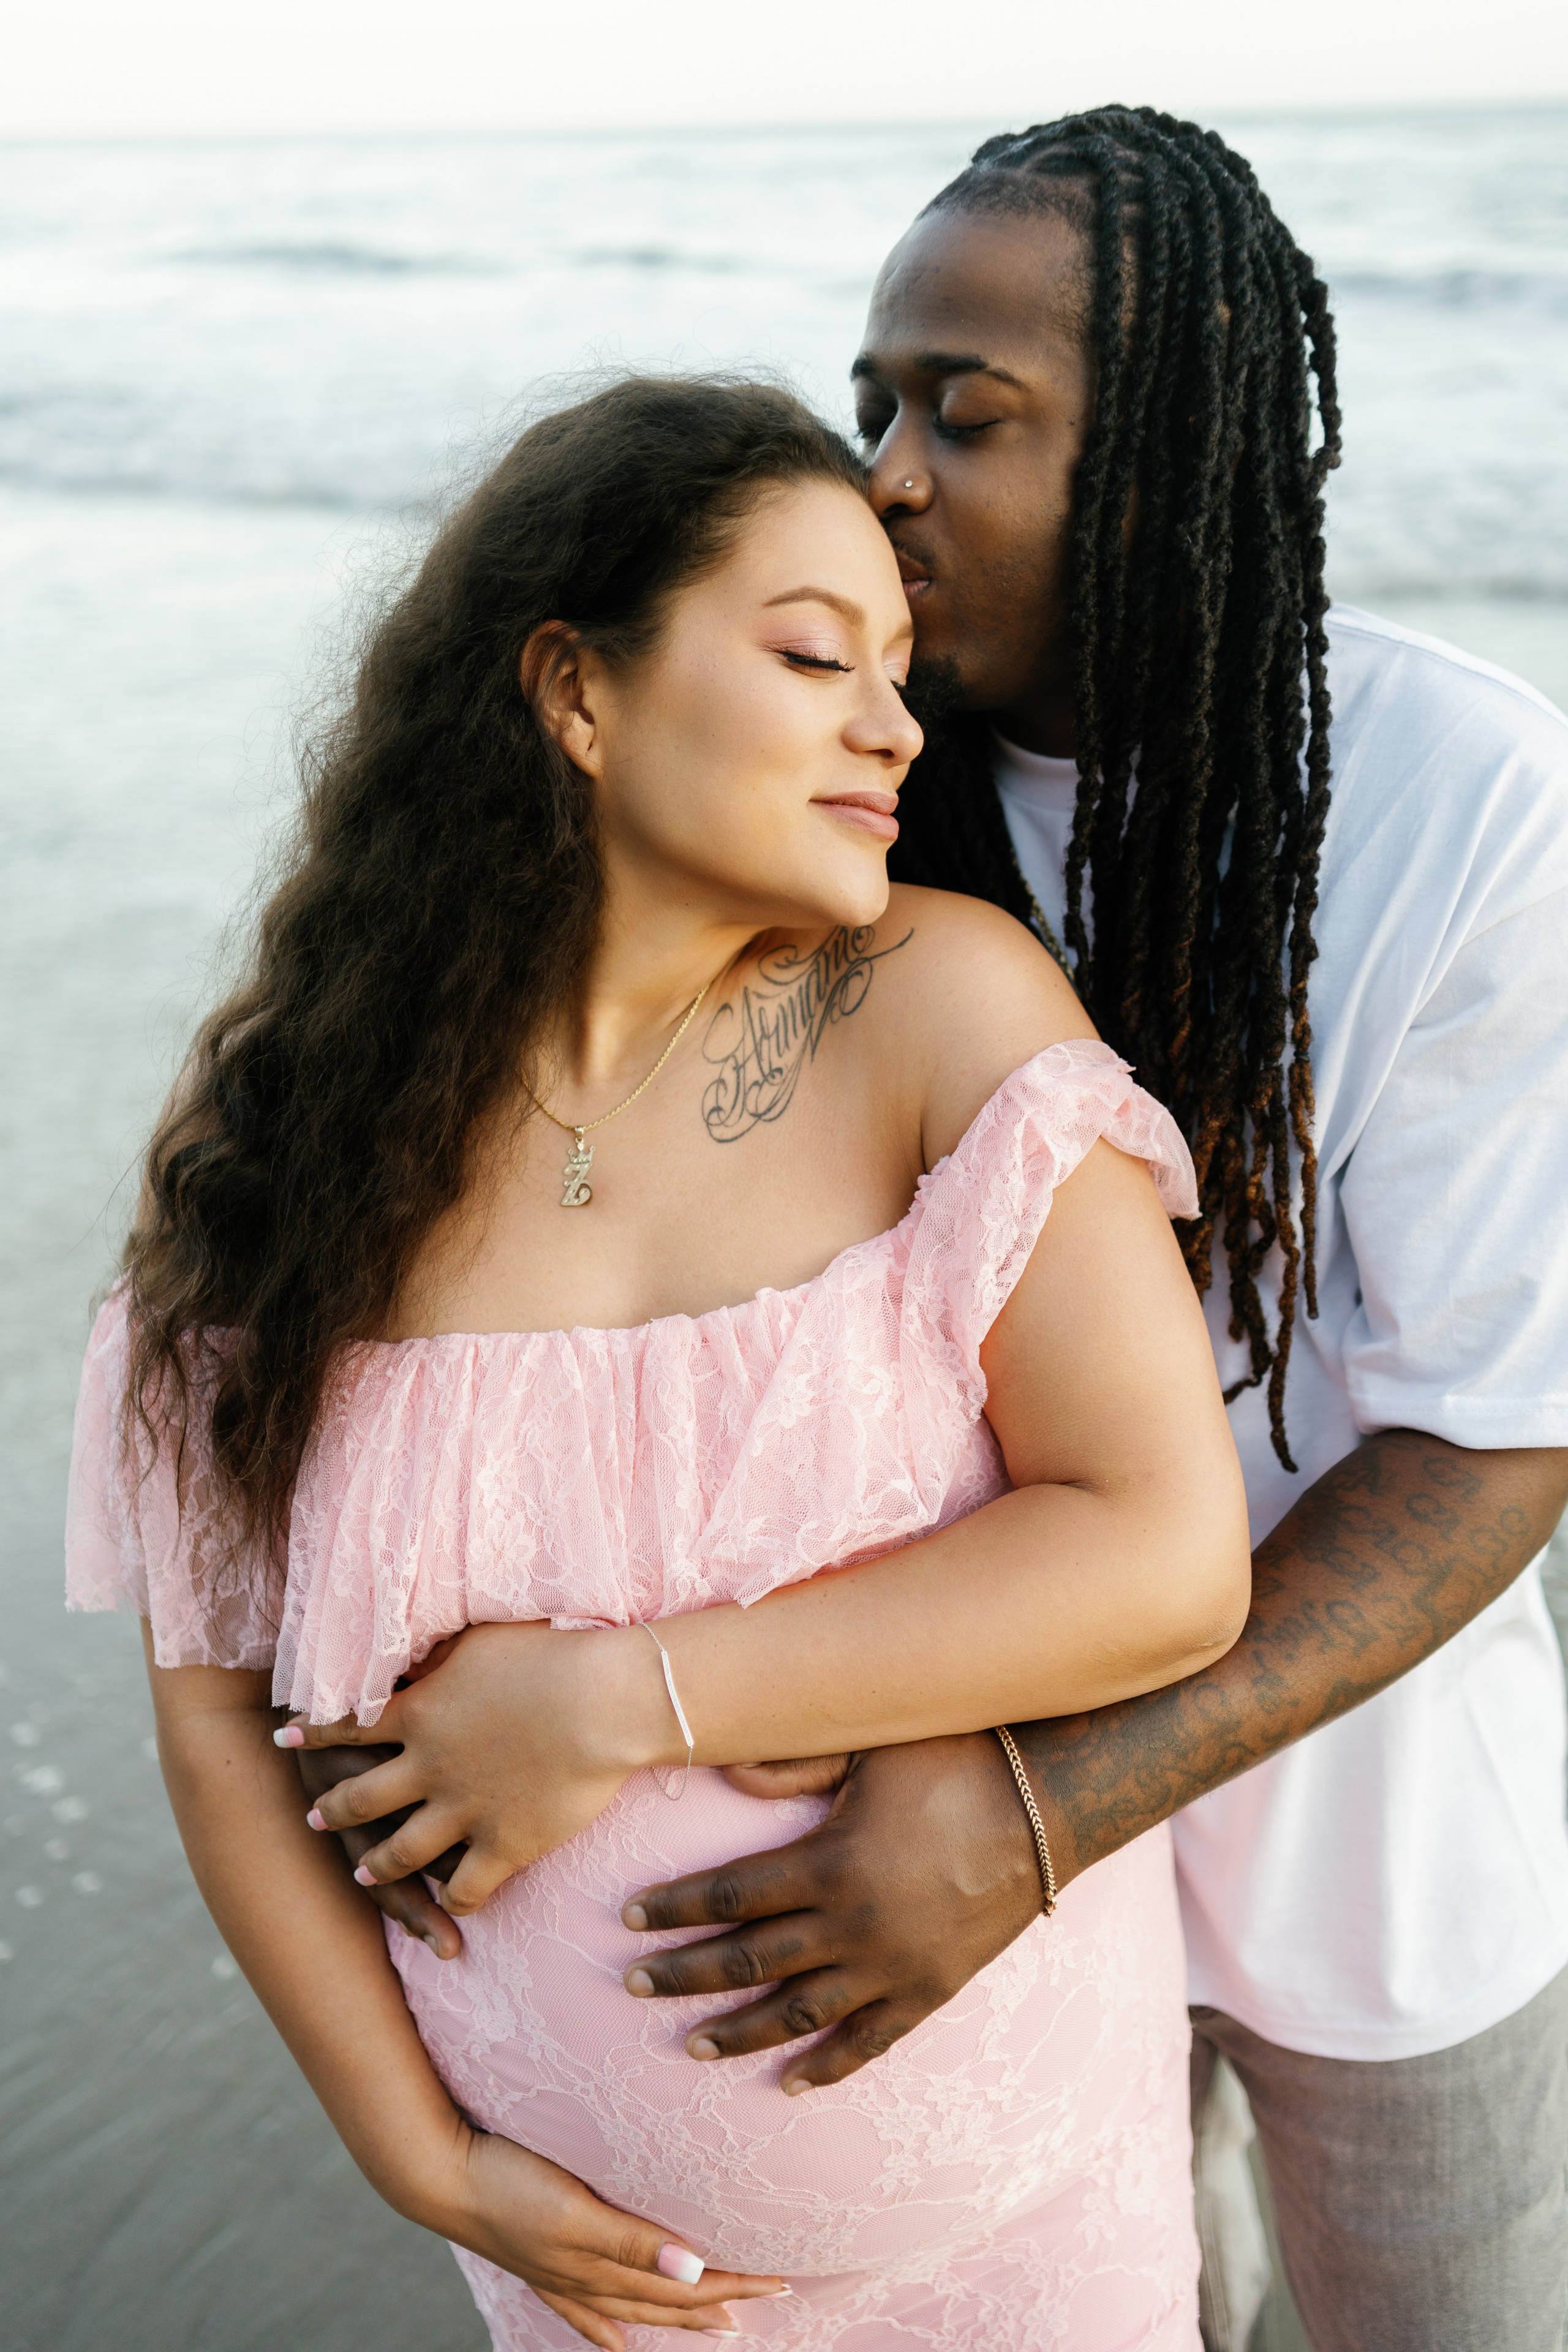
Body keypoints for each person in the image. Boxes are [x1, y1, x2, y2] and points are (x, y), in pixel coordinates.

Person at [338, 110, 1568, 2351]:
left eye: (964, 414)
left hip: (1356, 1866)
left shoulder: (1471, 799)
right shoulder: (849, 804)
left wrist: (1034, 1806)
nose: (888, 470)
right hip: (918, 1899)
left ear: (1177, 435)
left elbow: (1493, 1437)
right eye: (875, 402)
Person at [66, 375, 1253, 2350]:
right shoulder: (292, 1120)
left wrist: (625, 1702)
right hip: (600, 2290)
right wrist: (419, 2161)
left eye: (902, 666)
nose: (894, 724)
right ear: (575, 692)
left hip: (1033, 2233)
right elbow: (215, 1714)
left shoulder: (944, 1010)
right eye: (813, 655)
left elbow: (1162, 1555)